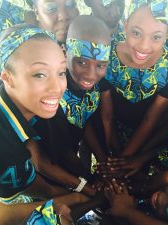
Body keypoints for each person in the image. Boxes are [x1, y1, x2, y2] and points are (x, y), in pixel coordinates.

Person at [0, 24, 95, 202]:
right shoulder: (3, 151)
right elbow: (46, 192)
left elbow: (36, 155)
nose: (57, 87)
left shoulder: (13, 97)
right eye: (40, 75)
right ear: (7, 78)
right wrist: (89, 197)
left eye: (61, 72)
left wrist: (84, 185)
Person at [0, 85, 85, 225]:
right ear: (8, 78)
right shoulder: (3, 150)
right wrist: (85, 196)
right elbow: (12, 215)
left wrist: (83, 195)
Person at [98, 1, 168, 165]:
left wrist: (123, 161)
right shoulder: (106, 55)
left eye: (156, 37)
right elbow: (106, 116)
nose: (144, 46)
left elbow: (150, 120)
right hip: (111, 130)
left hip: (147, 140)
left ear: (167, 35)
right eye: (136, 33)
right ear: (125, 26)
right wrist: (112, 154)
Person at [34, 15, 112, 188]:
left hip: (71, 155)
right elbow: (62, 154)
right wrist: (92, 181)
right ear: (64, 52)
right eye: (82, 62)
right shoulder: (53, 99)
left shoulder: (91, 85)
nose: (91, 75)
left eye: (100, 65)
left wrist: (103, 160)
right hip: (50, 172)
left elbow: (82, 119)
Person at [0, 0, 79, 85]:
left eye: (70, 4)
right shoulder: (4, 21)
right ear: (36, 10)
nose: (64, 16)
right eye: (50, 8)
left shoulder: (84, 34)